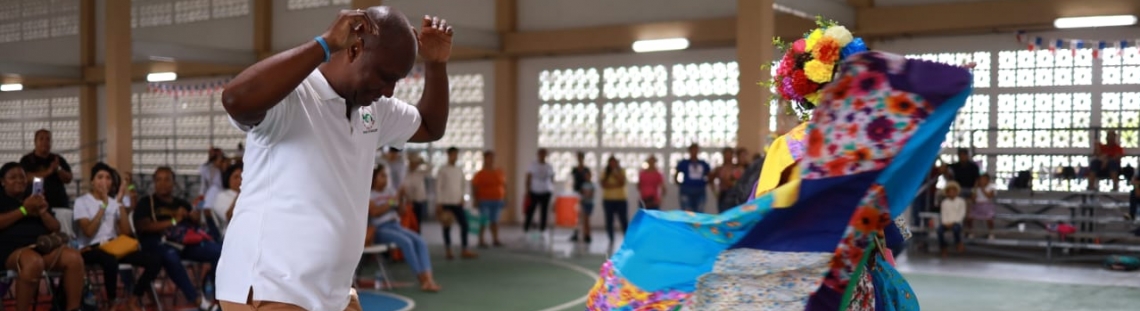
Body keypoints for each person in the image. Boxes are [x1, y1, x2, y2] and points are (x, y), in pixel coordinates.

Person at [215, 6, 455, 311]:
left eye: (398, 81)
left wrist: (436, 66)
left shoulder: (374, 109)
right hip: (273, 287)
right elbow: (235, 99)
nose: (389, 90)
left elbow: (430, 126)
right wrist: (325, 44)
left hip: (333, 293)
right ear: (354, 50)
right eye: (385, 77)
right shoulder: (294, 96)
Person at [73, 162, 161, 311]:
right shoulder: (82, 202)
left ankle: (133, 298)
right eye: (100, 177)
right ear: (92, 181)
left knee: (155, 260)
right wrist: (104, 206)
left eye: (108, 178)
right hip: (91, 248)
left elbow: (126, 232)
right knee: (109, 261)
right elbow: (88, 231)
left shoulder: (115, 203)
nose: (104, 181)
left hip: (114, 247)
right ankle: (111, 302)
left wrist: (119, 204)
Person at [134, 167, 222, 310]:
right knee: (170, 256)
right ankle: (198, 300)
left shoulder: (181, 203)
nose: (163, 183)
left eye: (167, 179)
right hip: (157, 243)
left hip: (183, 243)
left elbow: (196, 224)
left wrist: (194, 215)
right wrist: (174, 220)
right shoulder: (146, 202)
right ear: (154, 182)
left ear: (174, 183)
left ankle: (218, 294)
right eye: (159, 179)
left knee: (219, 251)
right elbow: (143, 227)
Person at [0, 162, 85, 311]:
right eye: (13, 177)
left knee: (74, 258)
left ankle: (73, 308)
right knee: (34, 262)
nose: (19, 180)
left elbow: (55, 227)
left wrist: (43, 212)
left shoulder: (34, 198)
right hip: (13, 249)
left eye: (22, 177)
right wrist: (24, 210)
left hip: (42, 246)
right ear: (2, 181)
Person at [368, 165, 440, 291]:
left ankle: (429, 278)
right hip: (380, 229)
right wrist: (393, 200)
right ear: (374, 178)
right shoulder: (370, 194)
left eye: (386, 176)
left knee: (420, 241)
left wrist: (401, 198)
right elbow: (375, 212)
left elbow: (400, 211)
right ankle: (422, 279)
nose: (385, 179)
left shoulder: (389, 191)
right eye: (382, 176)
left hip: (395, 225)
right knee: (406, 242)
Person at [436, 147, 476, 259]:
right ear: (448, 155)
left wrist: (463, 197)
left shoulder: (459, 170)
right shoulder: (442, 170)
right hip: (446, 202)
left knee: (464, 224)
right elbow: (439, 187)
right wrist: (439, 202)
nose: (455, 157)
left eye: (456, 155)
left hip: (457, 202)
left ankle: (465, 249)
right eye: (453, 154)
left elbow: (463, 185)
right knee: (447, 225)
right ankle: (448, 249)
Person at [19, 129, 73, 210]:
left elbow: (68, 178)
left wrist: (58, 169)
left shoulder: (57, 159)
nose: (45, 142)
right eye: (41, 139)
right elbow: (26, 178)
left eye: (48, 139)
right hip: (35, 206)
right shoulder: (27, 160)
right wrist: (48, 171)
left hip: (59, 204)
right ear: (35, 142)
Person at [471, 150, 506, 247]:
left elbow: (504, 185)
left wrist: (505, 197)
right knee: (484, 221)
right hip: (484, 200)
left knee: (495, 221)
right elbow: (475, 187)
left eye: (493, 158)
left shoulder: (499, 172)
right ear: (485, 159)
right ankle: (481, 240)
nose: (491, 160)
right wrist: (475, 199)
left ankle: (495, 239)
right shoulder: (480, 174)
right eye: (489, 157)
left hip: (497, 199)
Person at [524, 148, 556, 233]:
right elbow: (528, 178)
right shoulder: (533, 165)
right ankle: (526, 228)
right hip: (534, 191)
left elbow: (552, 179)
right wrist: (527, 191)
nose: (542, 156)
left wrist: (552, 189)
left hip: (546, 191)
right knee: (530, 210)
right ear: (538, 155)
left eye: (544, 154)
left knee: (544, 211)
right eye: (541, 154)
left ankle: (542, 229)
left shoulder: (549, 166)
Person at [600, 156, 629, 246]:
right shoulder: (605, 172)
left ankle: (627, 238)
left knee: (623, 220)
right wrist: (615, 185)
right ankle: (611, 238)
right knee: (609, 221)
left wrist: (615, 174)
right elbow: (604, 184)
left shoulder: (621, 171)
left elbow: (622, 182)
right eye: (611, 162)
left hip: (621, 200)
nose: (613, 164)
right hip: (608, 200)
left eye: (614, 162)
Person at [674, 143, 710, 212]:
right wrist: (679, 183)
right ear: (689, 151)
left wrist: (705, 182)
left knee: (699, 211)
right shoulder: (684, 163)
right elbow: (677, 173)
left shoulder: (703, 163)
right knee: (687, 211)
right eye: (692, 150)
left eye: (696, 150)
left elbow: (709, 175)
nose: (694, 152)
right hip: (686, 190)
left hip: (700, 190)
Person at [400, 154, 428, 232]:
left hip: (419, 199)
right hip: (409, 201)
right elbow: (403, 186)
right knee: (408, 220)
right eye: (412, 163)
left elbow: (431, 168)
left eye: (415, 163)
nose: (413, 165)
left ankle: (417, 235)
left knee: (418, 221)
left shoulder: (420, 172)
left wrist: (423, 161)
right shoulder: (405, 173)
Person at [939, 182, 967, 258]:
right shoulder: (944, 202)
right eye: (950, 191)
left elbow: (962, 214)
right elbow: (943, 214)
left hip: (956, 222)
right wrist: (945, 223)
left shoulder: (961, 201)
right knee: (939, 230)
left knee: (956, 229)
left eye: (953, 191)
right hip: (946, 223)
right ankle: (943, 248)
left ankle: (958, 243)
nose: (951, 193)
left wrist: (953, 222)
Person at [569, 151, 592, 242]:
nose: (579, 159)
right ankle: (575, 234)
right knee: (576, 216)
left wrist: (586, 194)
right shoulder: (574, 170)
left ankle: (587, 235)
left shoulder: (586, 170)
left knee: (586, 216)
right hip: (576, 194)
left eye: (581, 157)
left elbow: (589, 181)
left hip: (585, 195)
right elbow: (571, 181)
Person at [711, 147, 739, 213]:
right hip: (723, 194)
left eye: (730, 154)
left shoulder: (736, 168)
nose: (728, 156)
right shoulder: (719, 169)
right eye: (726, 154)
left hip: (734, 194)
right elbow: (711, 179)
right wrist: (715, 191)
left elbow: (739, 182)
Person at [968, 174, 996, 239]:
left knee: (990, 220)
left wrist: (982, 188)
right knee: (969, 219)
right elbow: (972, 198)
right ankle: (971, 232)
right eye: (981, 179)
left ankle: (991, 232)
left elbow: (989, 196)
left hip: (987, 206)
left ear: (988, 181)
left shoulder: (991, 187)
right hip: (977, 205)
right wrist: (975, 187)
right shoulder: (975, 188)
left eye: (984, 179)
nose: (982, 181)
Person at [199, 148, 227, 212]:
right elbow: (203, 187)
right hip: (209, 193)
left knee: (214, 190)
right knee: (199, 206)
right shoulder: (206, 168)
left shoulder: (224, 170)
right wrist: (201, 197)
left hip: (221, 194)